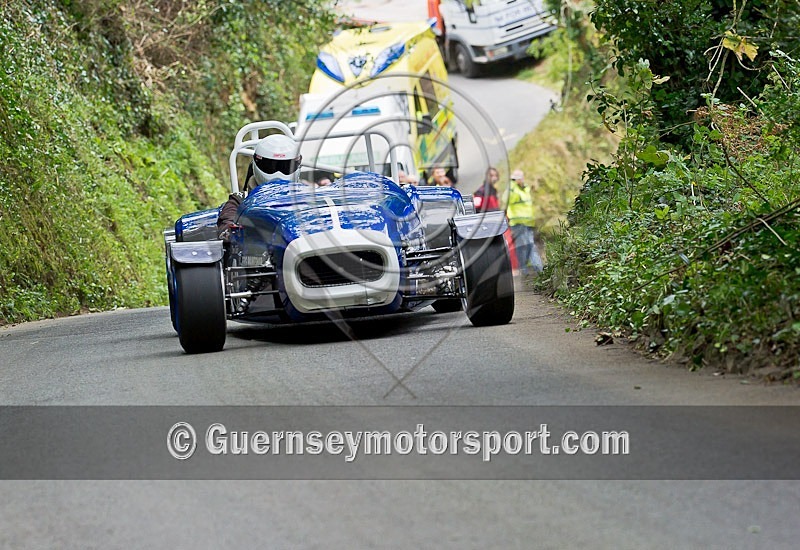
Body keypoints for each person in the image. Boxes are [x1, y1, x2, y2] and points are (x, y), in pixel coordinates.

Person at [217, 133, 301, 239]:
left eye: (285, 167)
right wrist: (233, 233)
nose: (278, 174)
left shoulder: (305, 195)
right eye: (270, 166)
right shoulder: (241, 199)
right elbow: (227, 221)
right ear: (256, 163)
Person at [506, 169, 543, 275]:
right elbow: (509, 199)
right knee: (525, 247)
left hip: (528, 223)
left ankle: (530, 270)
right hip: (518, 223)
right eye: (516, 179)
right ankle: (535, 269)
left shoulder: (525, 188)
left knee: (526, 246)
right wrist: (512, 183)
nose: (519, 180)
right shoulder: (512, 189)